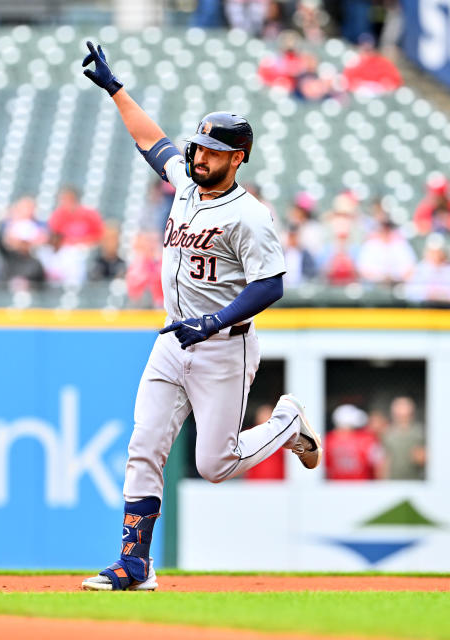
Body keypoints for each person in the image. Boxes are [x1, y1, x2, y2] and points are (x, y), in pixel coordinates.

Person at [79, 40, 322, 591]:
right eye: (198, 147)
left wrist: (211, 323)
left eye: (213, 151)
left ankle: (285, 424)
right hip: (172, 340)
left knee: (215, 464)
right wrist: (116, 90)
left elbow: (271, 284)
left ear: (238, 158)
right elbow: (150, 140)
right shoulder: (186, 186)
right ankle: (134, 565)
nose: (199, 156)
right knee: (144, 445)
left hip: (224, 346)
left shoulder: (250, 216)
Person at [325, 404, 381, 481]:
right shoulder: (366, 439)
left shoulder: (327, 440)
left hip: (339, 487)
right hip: (362, 487)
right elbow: (378, 465)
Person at [404, 234, 450, 307]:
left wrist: (440, 295)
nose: (435, 255)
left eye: (438, 252)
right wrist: (428, 294)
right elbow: (411, 291)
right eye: (432, 252)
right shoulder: (420, 268)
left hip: (447, 310)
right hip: (424, 309)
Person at [379, 396, 425, 480]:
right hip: (393, 482)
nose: (401, 411)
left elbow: (425, 458)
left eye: (404, 407)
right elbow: (384, 459)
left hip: (416, 481)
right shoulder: (387, 433)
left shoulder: (420, 432)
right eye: (398, 407)